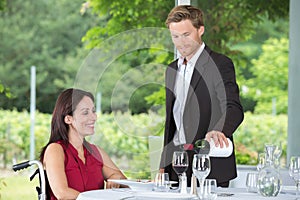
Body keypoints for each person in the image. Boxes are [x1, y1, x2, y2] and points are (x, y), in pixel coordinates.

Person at [159, 5, 244, 187]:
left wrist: (220, 130)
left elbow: (234, 108)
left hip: (210, 165)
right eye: (175, 36)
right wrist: (162, 166)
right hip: (177, 165)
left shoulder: (220, 64)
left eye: (186, 35)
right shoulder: (171, 69)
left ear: (200, 30)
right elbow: (171, 122)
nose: (181, 42)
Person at [39, 88, 127, 200]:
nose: (94, 117)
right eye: (85, 112)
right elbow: (62, 193)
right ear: (68, 119)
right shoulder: (55, 150)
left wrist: (115, 177)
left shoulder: (96, 151)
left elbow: (125, 182)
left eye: (93, 111)